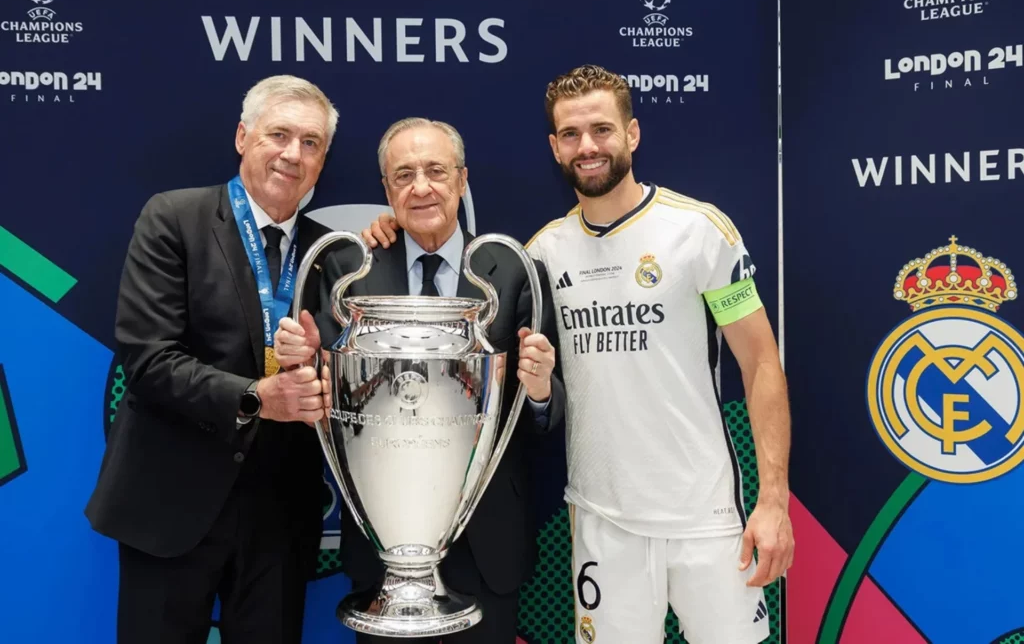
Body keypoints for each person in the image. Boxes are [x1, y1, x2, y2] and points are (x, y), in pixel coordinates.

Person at [362, 65, 795, 644]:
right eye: (570, 134)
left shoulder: (699, 231)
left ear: (632, 134)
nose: (587, 146)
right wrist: (391, 226)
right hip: (601, 520)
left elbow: (761, 364)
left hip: (706, 518)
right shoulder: (541, 253)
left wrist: (773, 502)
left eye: (601, 129)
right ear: (553, 146)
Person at [272, 116, 566, 644]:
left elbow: (549, 416)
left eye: (436, 171)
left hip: (487, 540)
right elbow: (320, 395)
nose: (421, 187)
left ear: (462, 180)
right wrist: (300, 362)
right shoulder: (348, 270)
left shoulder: (516, 268)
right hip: (382, 546)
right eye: (403, 175)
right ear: (386, 190)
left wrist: (541, 390)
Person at [85, 75, 337, 644]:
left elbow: (345, 386)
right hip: (171, 501)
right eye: (280, 134)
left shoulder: (334, 253)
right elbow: (147, 359)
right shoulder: (174, 218)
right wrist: (254, 396)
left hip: (281, 514)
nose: (293, 154)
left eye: (311, 143)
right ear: (243, 137)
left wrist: (325, 367)